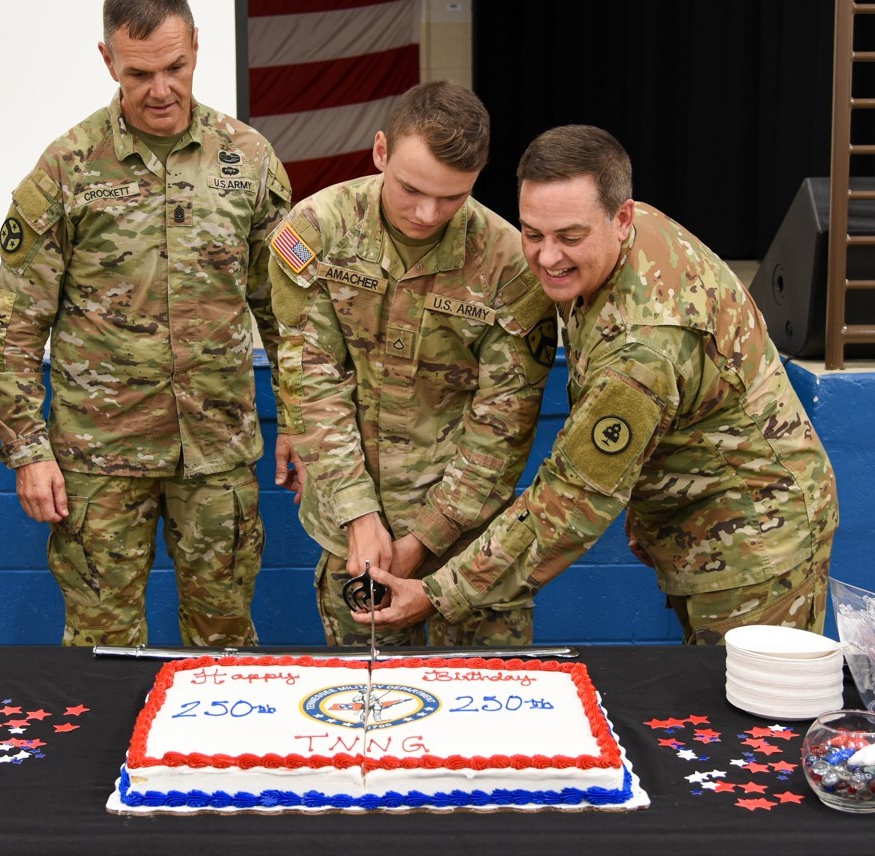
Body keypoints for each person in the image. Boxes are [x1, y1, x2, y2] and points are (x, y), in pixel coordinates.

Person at [358, 124, 839, 645]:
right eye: (532, 233)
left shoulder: (643, 349)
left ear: (622, 216)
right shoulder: (612, 242)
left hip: (757, 542)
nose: (546, 257)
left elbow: (570, 504)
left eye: (569, 237)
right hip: (692, 518)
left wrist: (435, 594)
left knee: (748, 716)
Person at [0, 0, 299, 648]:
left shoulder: (247, 158)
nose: (161, 89)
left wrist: (298, 420)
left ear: (197, 49)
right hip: (100, 460)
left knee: (224, 647)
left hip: (214, 454)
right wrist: (28, 451)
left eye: (176, 68)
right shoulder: (66, 169)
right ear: (107, 61)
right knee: (102, 649)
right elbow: (13, 325)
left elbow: (287, 313)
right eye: (140, 72)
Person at [269, 81, 557, 648]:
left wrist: (424, 540)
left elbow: (501, 430)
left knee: (485, 721)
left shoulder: (508, 265)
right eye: (411, 189)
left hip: (471, 543)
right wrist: (357, 514)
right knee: (369, 718)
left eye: (452, 198)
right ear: (381, 152)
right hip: (355, 540)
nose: (428, 213)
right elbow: (311, 382)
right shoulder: (316, 232)